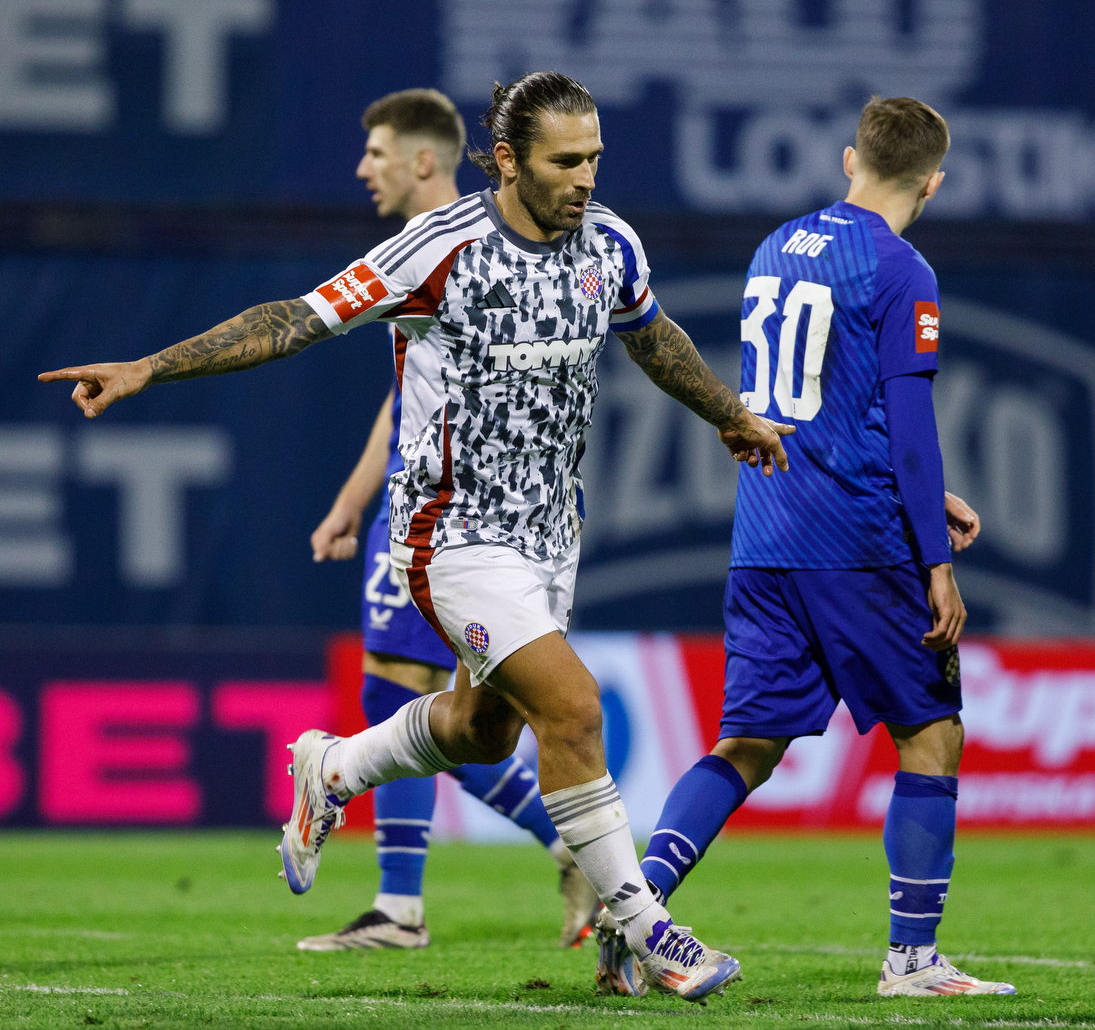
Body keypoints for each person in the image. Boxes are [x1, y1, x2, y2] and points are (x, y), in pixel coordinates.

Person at [39, 71, 793, 1004]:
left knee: (483, 732)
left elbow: (654, 337)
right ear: (508, 160)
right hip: (453, 540)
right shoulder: (437, 248)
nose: (586, 178)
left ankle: (336, 765)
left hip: (552, 536)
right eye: (566, 161)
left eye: (595, 157)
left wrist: (731, 414)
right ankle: (649, 932)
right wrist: (151, 366)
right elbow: (292, 321)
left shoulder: (613, 244)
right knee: (575, 710)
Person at [592, 96, 1015, 999]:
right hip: (858, 540)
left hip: (767, 534)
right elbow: (906, 426)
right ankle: (912, 960)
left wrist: (922, 495)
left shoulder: (775, 247)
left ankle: (635, 913)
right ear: (933, 183)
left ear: (847, 157)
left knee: (746, 742)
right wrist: (935, 557)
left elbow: (815, 402)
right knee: (932, 733)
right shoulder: (902, 269)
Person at [297, 87, 599, 954]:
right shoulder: (433, 253)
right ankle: (543, 853)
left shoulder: (457, 245)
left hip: (463, 520)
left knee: (412, 694)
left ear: (425, 160)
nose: (364, 170)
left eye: (379, 154)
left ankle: (405, 906)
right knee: (455, 712)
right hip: (433, 506)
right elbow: (404, 405)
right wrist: (353, 502)